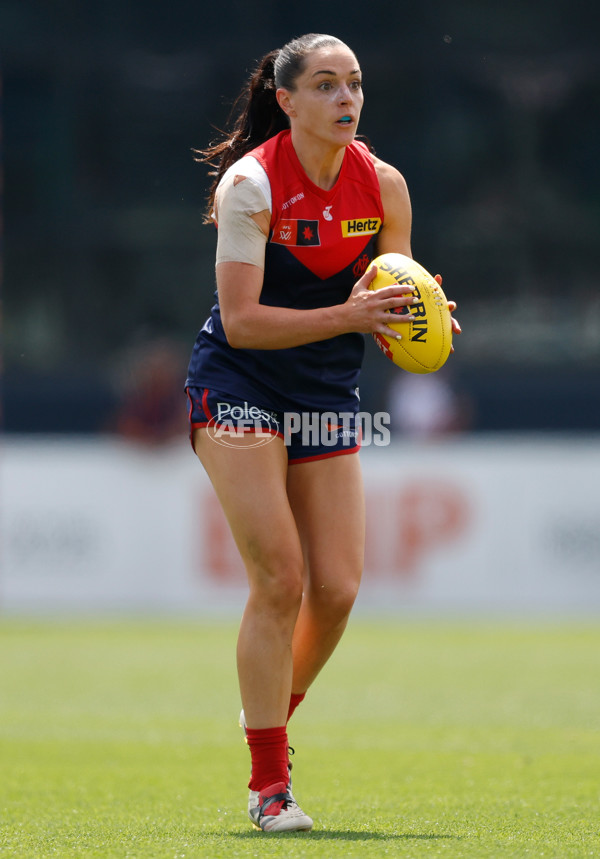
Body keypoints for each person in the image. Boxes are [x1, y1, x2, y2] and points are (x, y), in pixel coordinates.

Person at [185, 33, 461, 832]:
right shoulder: (250, 185)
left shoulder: (387, 186)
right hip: (240, 383)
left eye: (357, 85)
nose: (348, 99)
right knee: (280, 576)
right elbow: (239, 325)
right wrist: (351, 314)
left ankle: (264, 714)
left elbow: (391, 291)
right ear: (288, 99)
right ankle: (270, 782)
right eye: (328, 85)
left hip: (324, 387)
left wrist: (422, 317)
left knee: (336, 588)